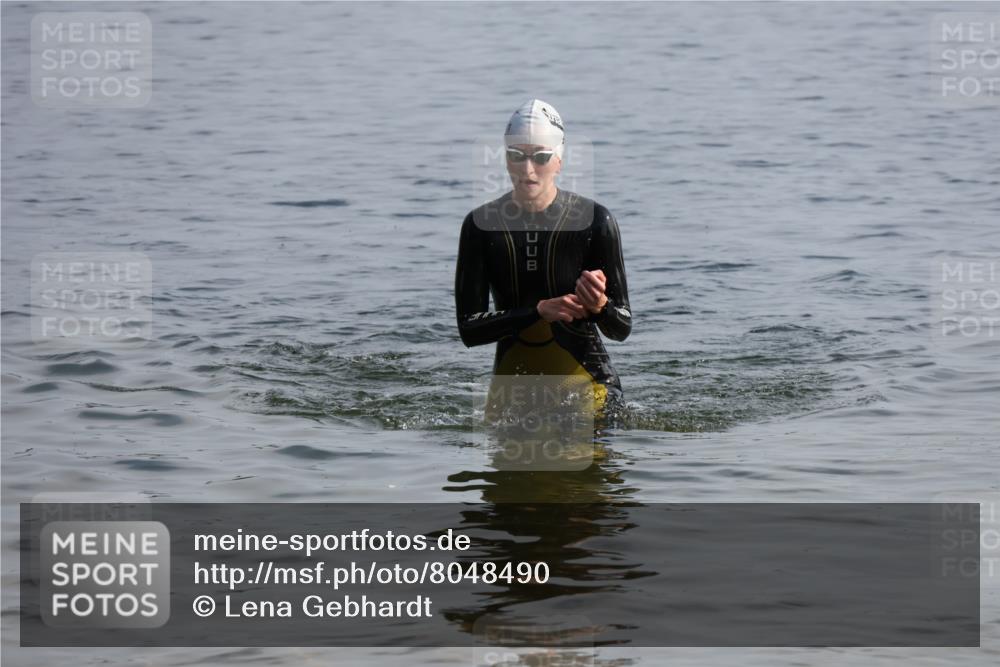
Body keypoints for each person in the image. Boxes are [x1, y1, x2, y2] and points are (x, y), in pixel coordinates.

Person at [454, 99, 632, 432]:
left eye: (540, 157)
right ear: (505, 159)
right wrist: (538, 311)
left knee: (585, 480)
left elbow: (622, 327)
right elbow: (469, 329)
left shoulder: (594, 221)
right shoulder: (480, 227)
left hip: (589, 388)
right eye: (516, 156)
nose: (528, 169)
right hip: (512, 391)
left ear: (559, 159)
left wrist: (601, 306)